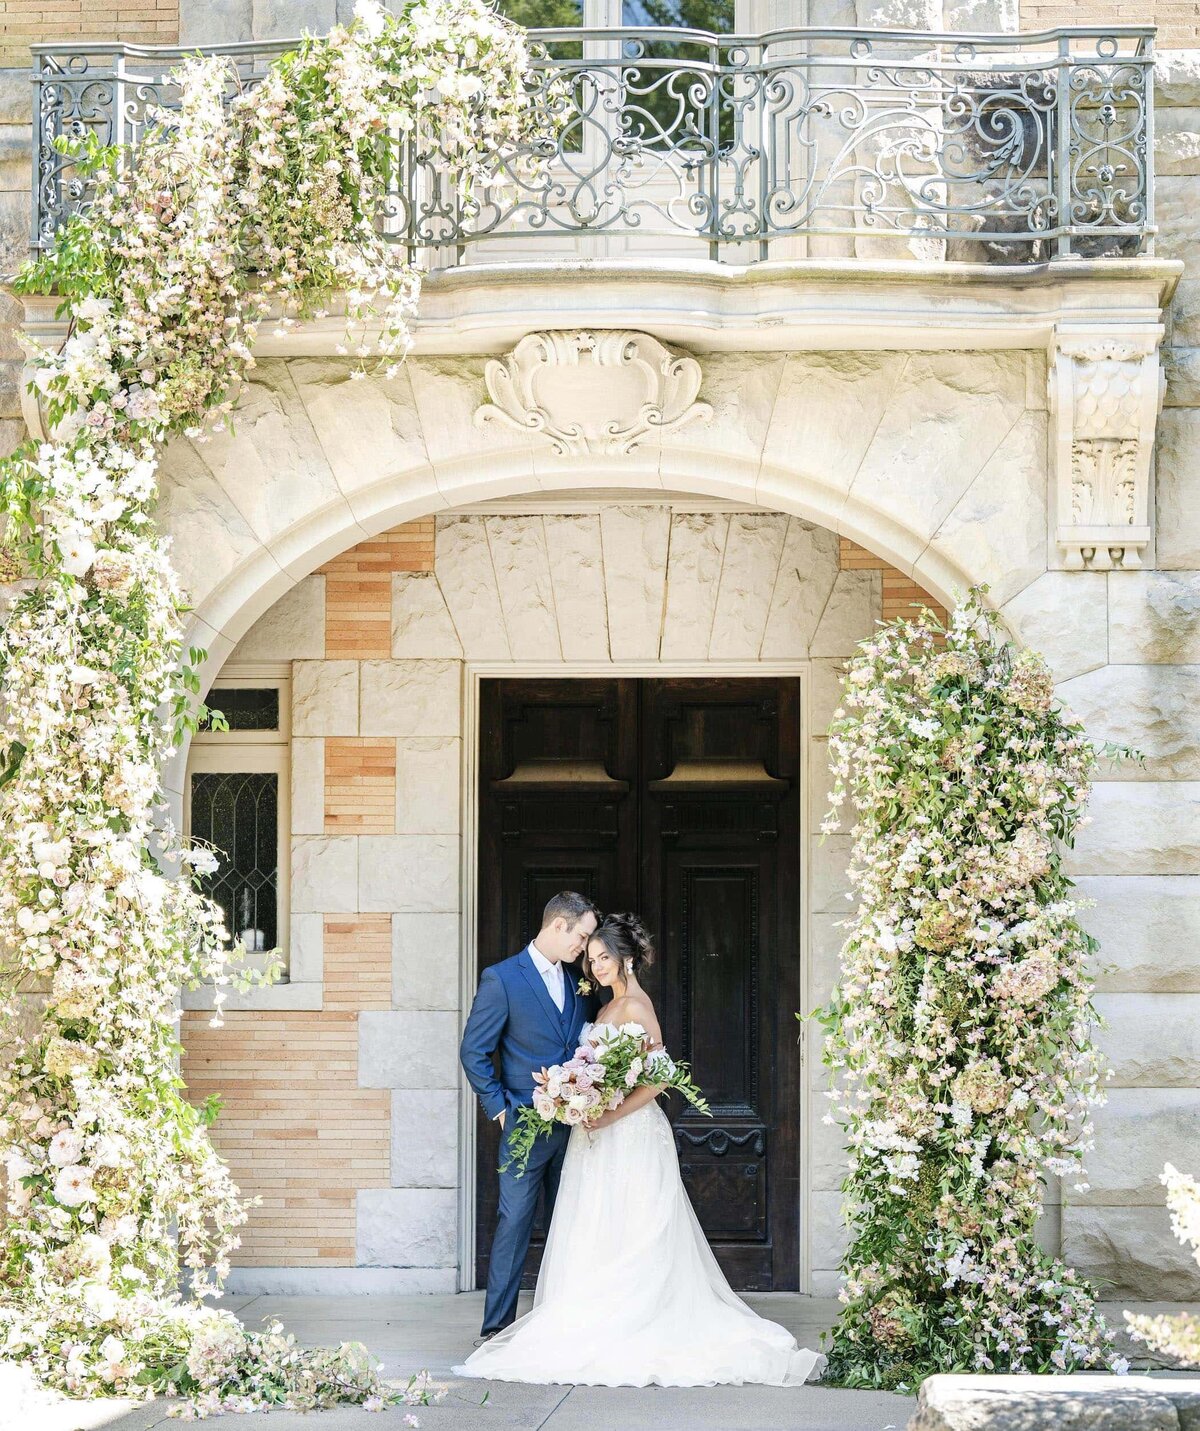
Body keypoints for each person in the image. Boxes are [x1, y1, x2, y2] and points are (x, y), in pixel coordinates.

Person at [455, 912, 825, 1388]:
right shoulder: (595, 1002)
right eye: (590, 957)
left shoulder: (634, 1006)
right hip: (585, 1135)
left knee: (632, 1225)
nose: (594, 965)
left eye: (603, 956)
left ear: (625, 957)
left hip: (626, 1136)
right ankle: (544, 1323)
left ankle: (630, 1321)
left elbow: (659, 1077)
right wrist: (562, 1096)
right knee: (589, 1223)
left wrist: (604, 1112)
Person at [459, 890, 600, 1341]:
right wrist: (499, 1108)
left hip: (577, 1125)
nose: (584, 947)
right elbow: (474, 1051)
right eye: (582, 936)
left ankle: (566, 1321)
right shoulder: (502, 979)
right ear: (558, 925)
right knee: (514, 1221)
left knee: (573, 1221)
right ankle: (496, 1327)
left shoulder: (581, 982)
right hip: (524, 1122)